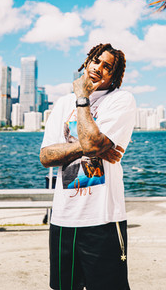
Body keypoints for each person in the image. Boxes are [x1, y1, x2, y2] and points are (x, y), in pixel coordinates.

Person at [40, 43, 136, 290]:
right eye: (96, 61)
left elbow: (92, 144)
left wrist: (82, 98)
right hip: (63, 219)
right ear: (87, 62)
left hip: (103, 220)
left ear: (114, 76)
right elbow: (46, 156)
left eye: (107, 67)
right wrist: (94, 147)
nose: (98, 68)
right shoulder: (62, 104)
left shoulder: (120, 100)